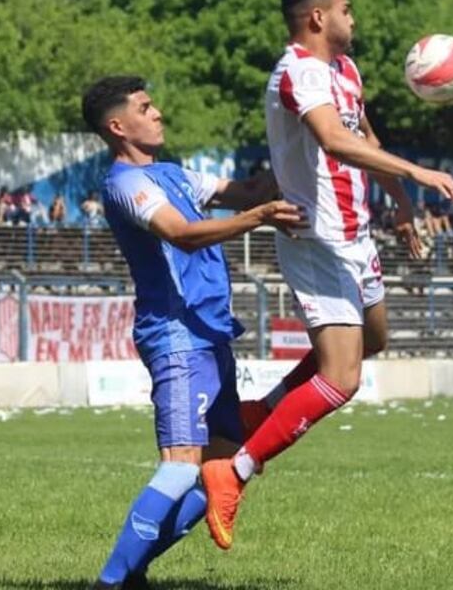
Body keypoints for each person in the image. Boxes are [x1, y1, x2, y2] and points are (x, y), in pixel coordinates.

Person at [200, 0, 453, 551]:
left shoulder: (346, 70)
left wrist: (399, 202)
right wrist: (418, 171)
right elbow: (333, 140)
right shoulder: (298, 72)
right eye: (347, 9)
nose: (353, 18)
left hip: (356, 234)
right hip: (316, 238)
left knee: (374, 340)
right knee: (342, 378)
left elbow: (364, 138)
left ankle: (261, 411)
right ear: (318, 17)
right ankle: (234, 471)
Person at [82, 75, 303, 590]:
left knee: (220, 467)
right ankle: (112, 581)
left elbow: (248, 191)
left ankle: (130, 573)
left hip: (210, 334)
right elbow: (181, 234)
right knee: (181, 467)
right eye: (145, 107)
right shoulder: (125, 184)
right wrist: (259, 217)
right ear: (118, 126)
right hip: (177, 336)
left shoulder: (172, 174)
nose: (157, 113)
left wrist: (300, 144)